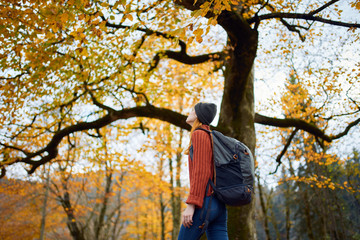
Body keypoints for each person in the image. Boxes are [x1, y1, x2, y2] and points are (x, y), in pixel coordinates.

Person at [178, 102, 229, 240]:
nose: (190, 111)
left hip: (205, 203)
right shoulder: (210, 136)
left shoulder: (199, 134)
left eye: (193, 109)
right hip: (219, 205)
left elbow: (201, 172)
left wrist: (191, 204)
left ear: (198, 114)